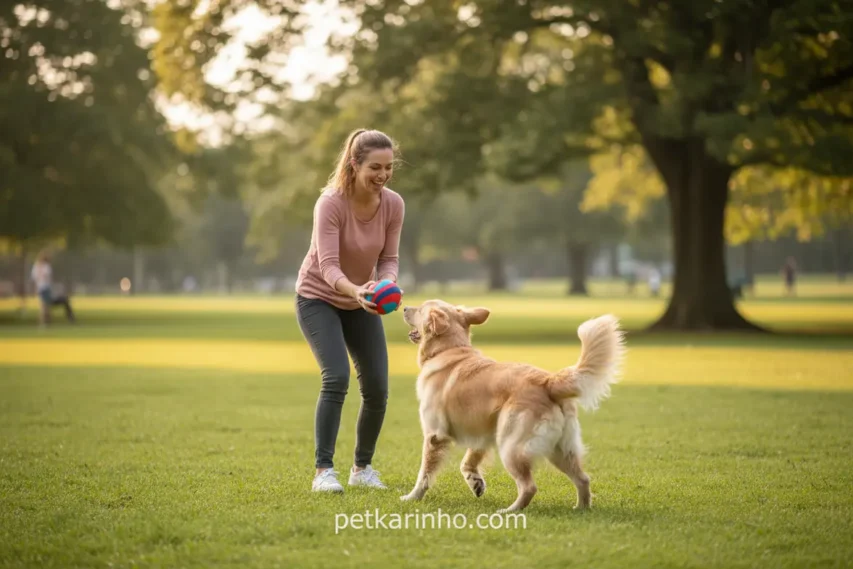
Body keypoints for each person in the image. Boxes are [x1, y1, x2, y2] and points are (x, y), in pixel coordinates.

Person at [294, 128, 406, 493]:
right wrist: (357, 289)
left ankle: (362, 468)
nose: (383, 175)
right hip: (318, 298)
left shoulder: (393, 204)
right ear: (354, 164)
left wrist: (384, 285)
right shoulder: (330, 203)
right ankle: (323, 472)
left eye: (389, 167)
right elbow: (327, 267)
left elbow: (389, 259)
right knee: (336, 377)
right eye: (375, 167)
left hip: (363, 301)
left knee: (377, 387)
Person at [31, 250, 76, 326]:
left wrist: (36, 288)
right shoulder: (46, 267)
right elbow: (48, 277)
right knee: (46, 305)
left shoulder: (35, 267)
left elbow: (34, 278)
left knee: (44, 305)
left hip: (40, 288)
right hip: (46, 288)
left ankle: (44, 322)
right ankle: (44, 322)